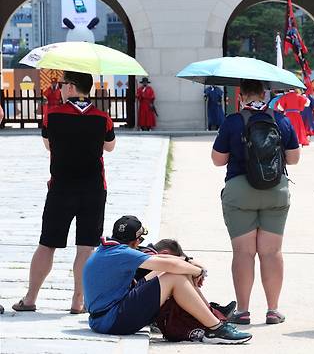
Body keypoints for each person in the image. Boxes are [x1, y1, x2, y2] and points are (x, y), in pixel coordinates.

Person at [12, 71, 116, 314]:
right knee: (86, 247)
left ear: (71, 87)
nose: (59, 88)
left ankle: (30, 298)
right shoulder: (102, 117)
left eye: (62, 85)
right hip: (93, 188)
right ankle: (77, 302)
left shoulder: (53, 115)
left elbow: (48, 144)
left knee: (47, 244)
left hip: (61, 187)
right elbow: (110, 147)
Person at [212, 79, 300, 325]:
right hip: (275, 189)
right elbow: (293, 159)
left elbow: (218, 160)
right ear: (264, 94)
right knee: (272, 252)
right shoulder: (281, 120)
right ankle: (273, 310)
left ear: (241, 96)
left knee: (243, 252)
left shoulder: (232, 121)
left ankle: (243, 310)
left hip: (240, 189)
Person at [82, 215, 251, 343]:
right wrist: (197, 271)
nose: (141, 242)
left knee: (175, 273)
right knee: (173, 278)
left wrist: (191, 267)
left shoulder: (109, 249)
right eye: (140, 239)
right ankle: (216, 329)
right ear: (134, 240)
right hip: (111, 321)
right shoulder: (122, 253)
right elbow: (170, 266)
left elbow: (166, 262)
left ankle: (211, 316)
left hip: (102, 318)